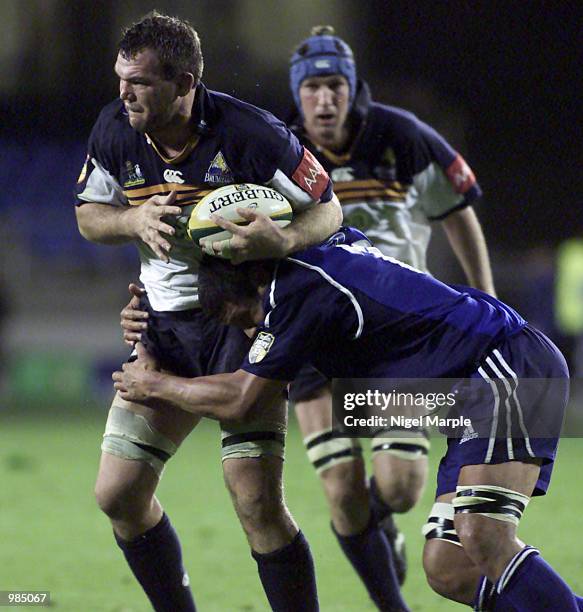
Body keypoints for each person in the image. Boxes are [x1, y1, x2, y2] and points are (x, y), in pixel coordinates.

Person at [113, 239, 580, 612]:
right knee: (450, 567)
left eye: (248, 319)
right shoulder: (311, 264)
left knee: (481, 532)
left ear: (257, 279)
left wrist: (152, 385)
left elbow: (239, 399)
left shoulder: (297, 294)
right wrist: (148, 317)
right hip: (462, 394)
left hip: (503, 364)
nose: (252, 333)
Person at [74, 12, 343, 612]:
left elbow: (328, 208)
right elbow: (87, 216)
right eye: (121, 79)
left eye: (140, 82)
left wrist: (284, 240)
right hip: (161, 329)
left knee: (255, 503)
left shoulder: (250, 133)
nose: (124, 94)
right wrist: (130, 219)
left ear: (185, 82)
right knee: (117, 494)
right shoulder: (114, 130)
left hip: (242, 326)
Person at [285, 24, 495, 598]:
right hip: (312, 333)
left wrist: (485, 299)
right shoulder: (278, 152)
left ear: (354, 90)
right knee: (341, 490)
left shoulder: (402, 137)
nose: (325, 99)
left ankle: (380, 521)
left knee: (400, 488)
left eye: (335, 86)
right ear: (297, 94)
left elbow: (458, 209)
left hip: (394, 337)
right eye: (313, 88)